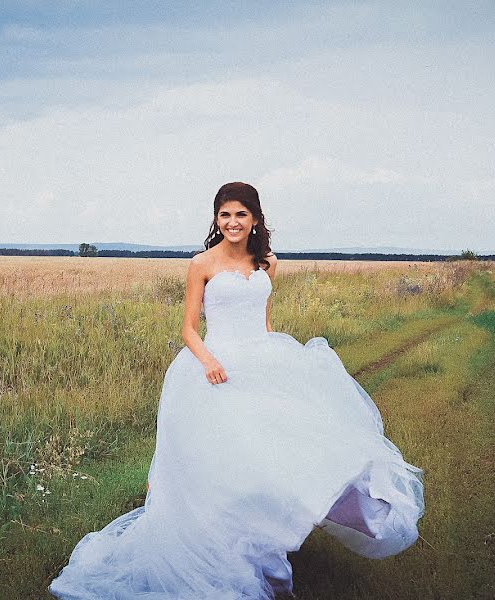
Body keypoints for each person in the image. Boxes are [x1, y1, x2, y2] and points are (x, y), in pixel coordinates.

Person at [49, 182, 424, 599]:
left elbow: (264, 321)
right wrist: (209, 360)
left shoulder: (267, 262)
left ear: (255, 220)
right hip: (214, 368)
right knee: (221, 463)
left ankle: (270, 535)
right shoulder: (201, 264)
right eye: (224, 215)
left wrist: (282, 361)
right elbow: (188, 328)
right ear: (216, 220)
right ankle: (224, 549)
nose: (232, 222)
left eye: (240, 215)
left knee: (279, 453)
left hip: (262, 362)